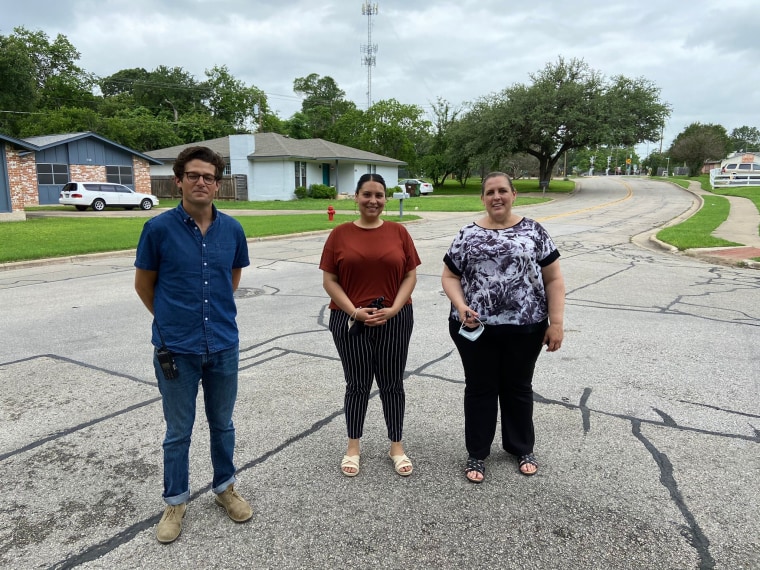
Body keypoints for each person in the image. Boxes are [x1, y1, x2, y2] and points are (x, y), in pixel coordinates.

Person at [134, 146, 253, 543]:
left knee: (223, 425)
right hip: (176, 350)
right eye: (193, 175)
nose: (201, 182)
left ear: (218, 185)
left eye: (209, 177)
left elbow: (231, 279)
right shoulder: (158, 229)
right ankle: (175, 501)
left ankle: (225, 489)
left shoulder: (233, 230)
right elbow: (144, 285)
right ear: (179, 181)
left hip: (222, 345)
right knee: (178, 431)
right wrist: (170, 321)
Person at [441, 172, 565, 484]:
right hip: (475, 327)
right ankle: (477, 453)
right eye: (490, 192)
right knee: (480, 388)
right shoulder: (467, 234)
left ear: (514, 194)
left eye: (502, 191)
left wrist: (557, 323)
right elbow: (449, 276)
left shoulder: (534, 230)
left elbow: (553, 279)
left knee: (518, 387)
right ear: (482, 198)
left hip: (526, 327)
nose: (497, 197)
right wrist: (459, 305)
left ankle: (521, 447)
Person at [319, 173, 421, 478]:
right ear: (356, 197)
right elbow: (329, 280)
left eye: (379, 195)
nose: (373, 200)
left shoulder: (399, 232)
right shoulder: (339, 235)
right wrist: (354, 312)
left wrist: (393, 309)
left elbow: (410, 276)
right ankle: (353, 447)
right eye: (367, 194)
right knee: (357, 384)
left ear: (386, 199)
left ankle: (397, 446)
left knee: (392, 383)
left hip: (395, 318)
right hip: (351, 320)